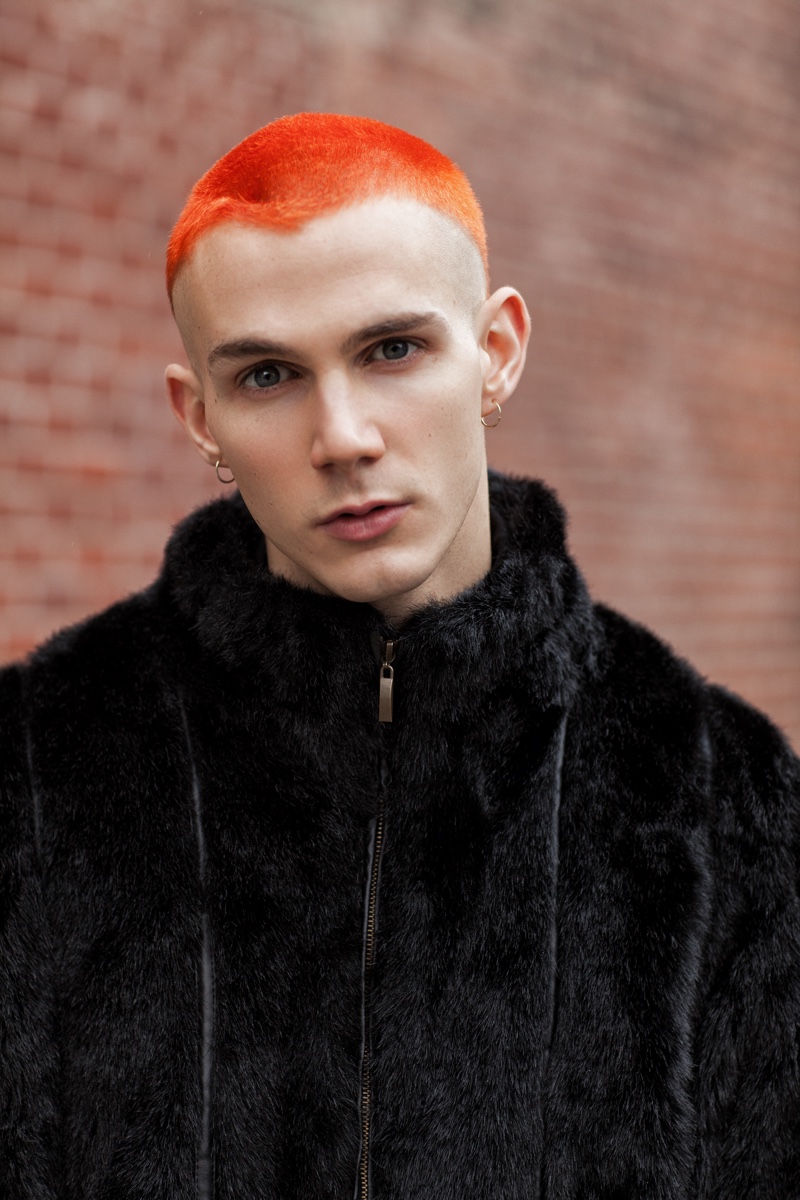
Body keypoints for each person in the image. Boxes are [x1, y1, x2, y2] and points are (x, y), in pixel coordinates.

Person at [1, 113, 798, 1200]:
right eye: (268, 375)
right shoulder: (34, 771)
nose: (343, 437)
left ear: (496, 353)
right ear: (199, 417)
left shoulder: (720, 794)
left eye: (392, 350)